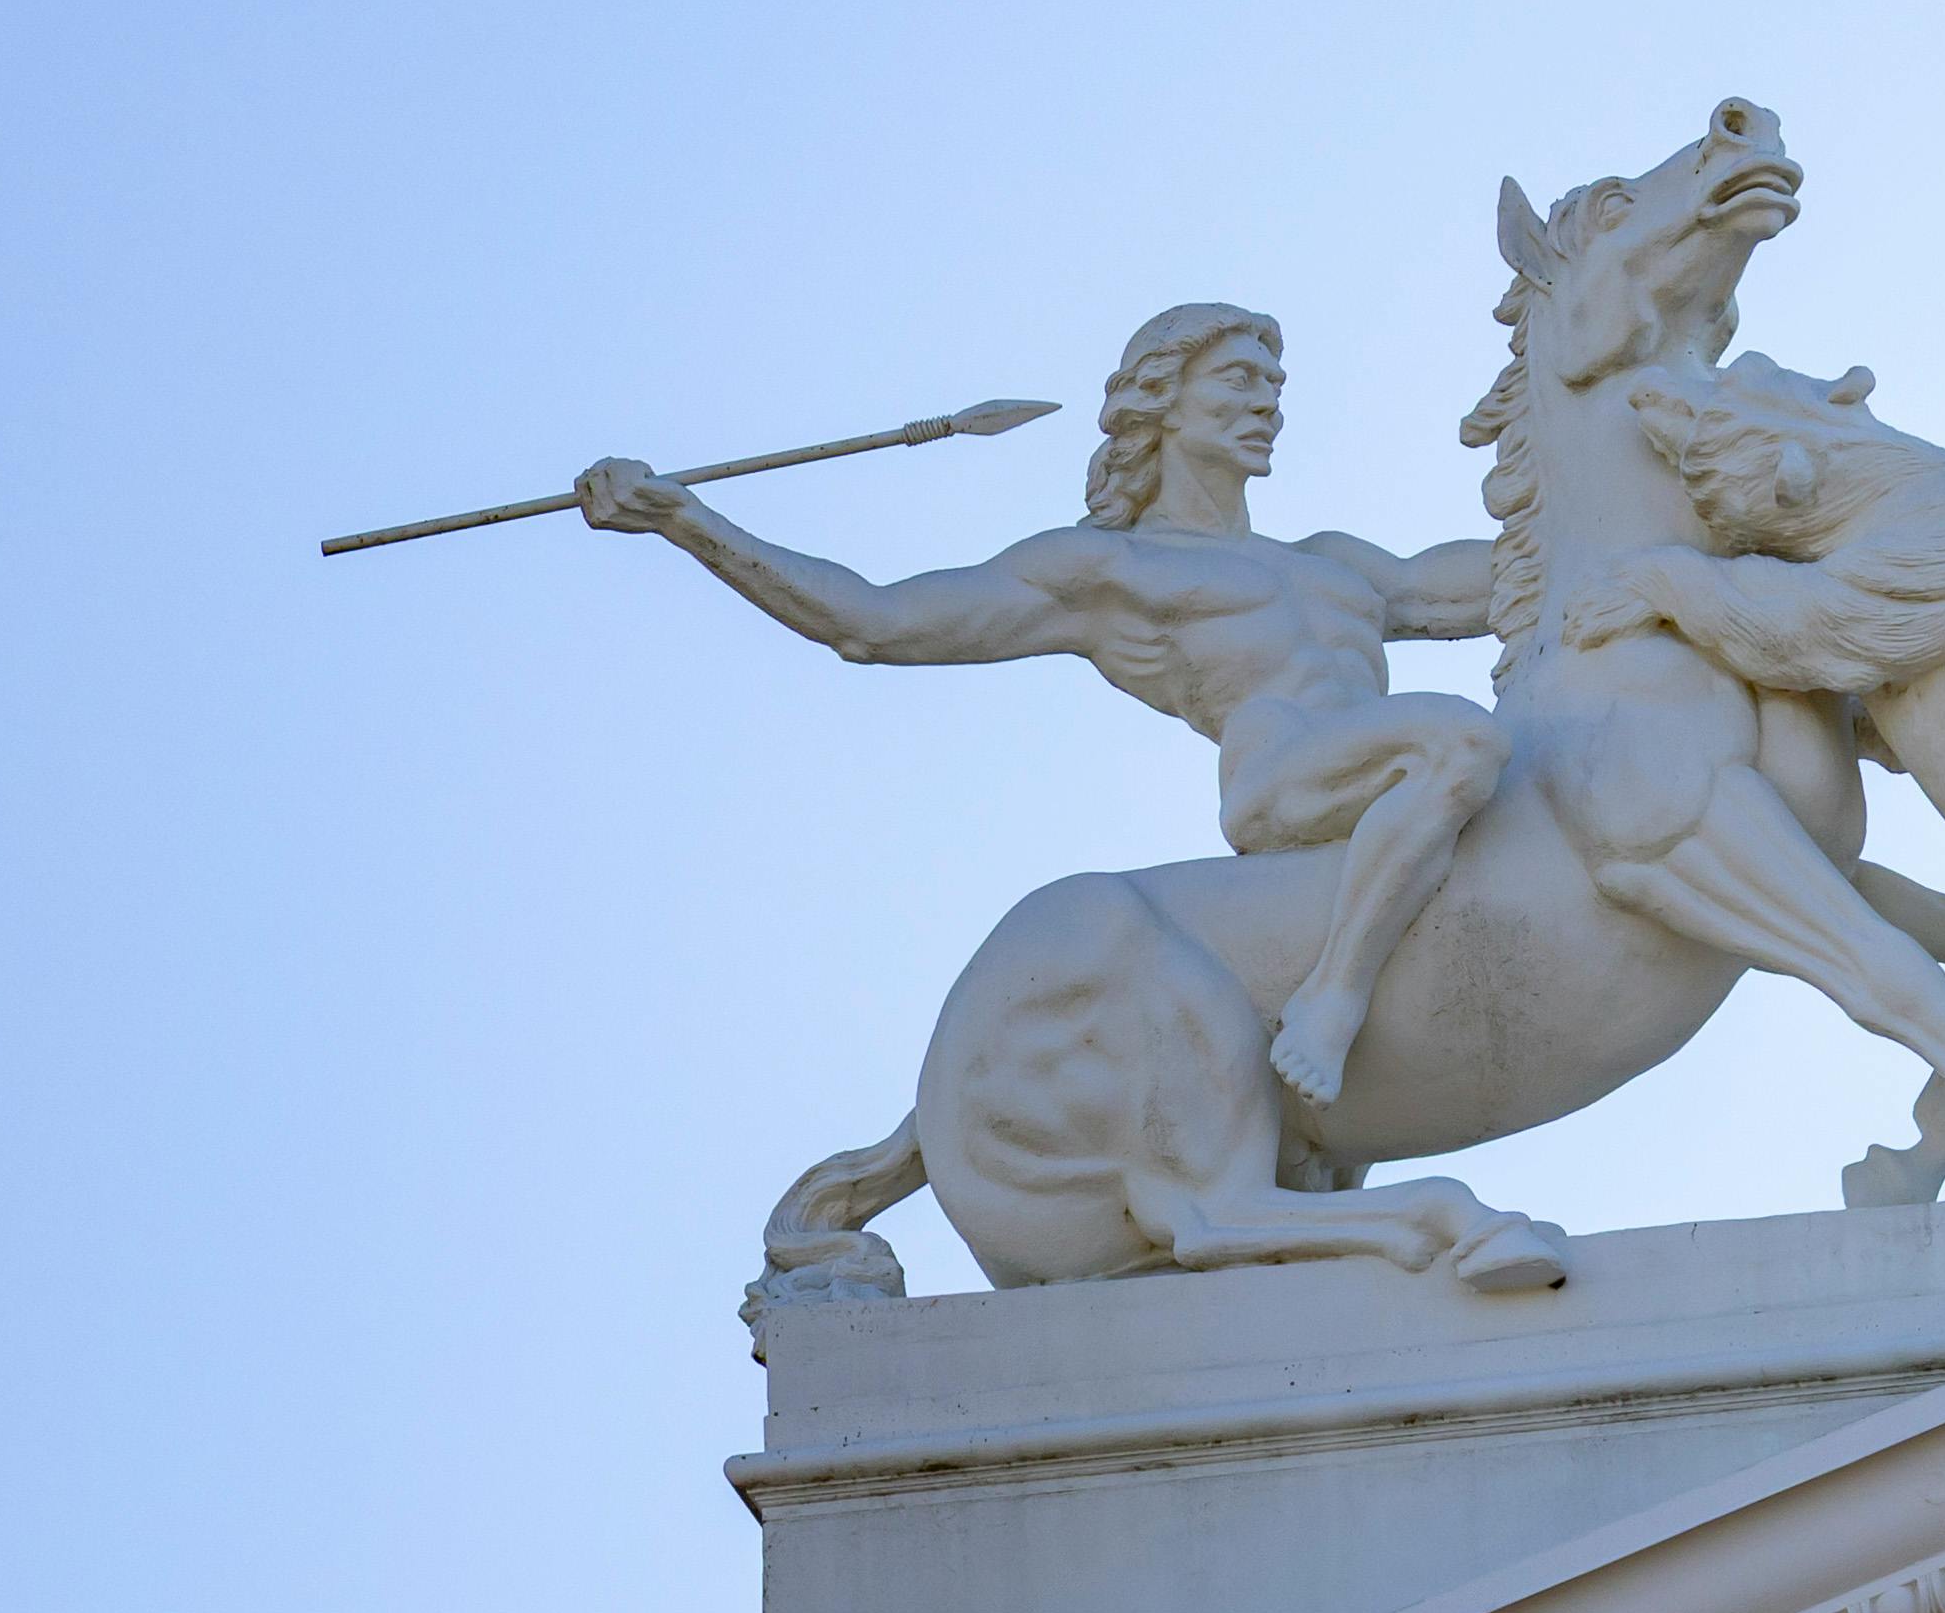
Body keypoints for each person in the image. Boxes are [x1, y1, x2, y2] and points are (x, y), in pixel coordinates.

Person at [577, 300, 1503, 1111]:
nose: (1267, 403)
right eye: (1237, 380)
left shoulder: (1331, 561)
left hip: (1388, 777)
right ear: (1162, 402)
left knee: (1486, 749)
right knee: (1460, 737)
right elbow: (877, 621)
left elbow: (1474, 585)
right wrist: (688, 523)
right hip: (1289, 768)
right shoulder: (1107, 569)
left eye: (1274, 386)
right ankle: (1334, 995)